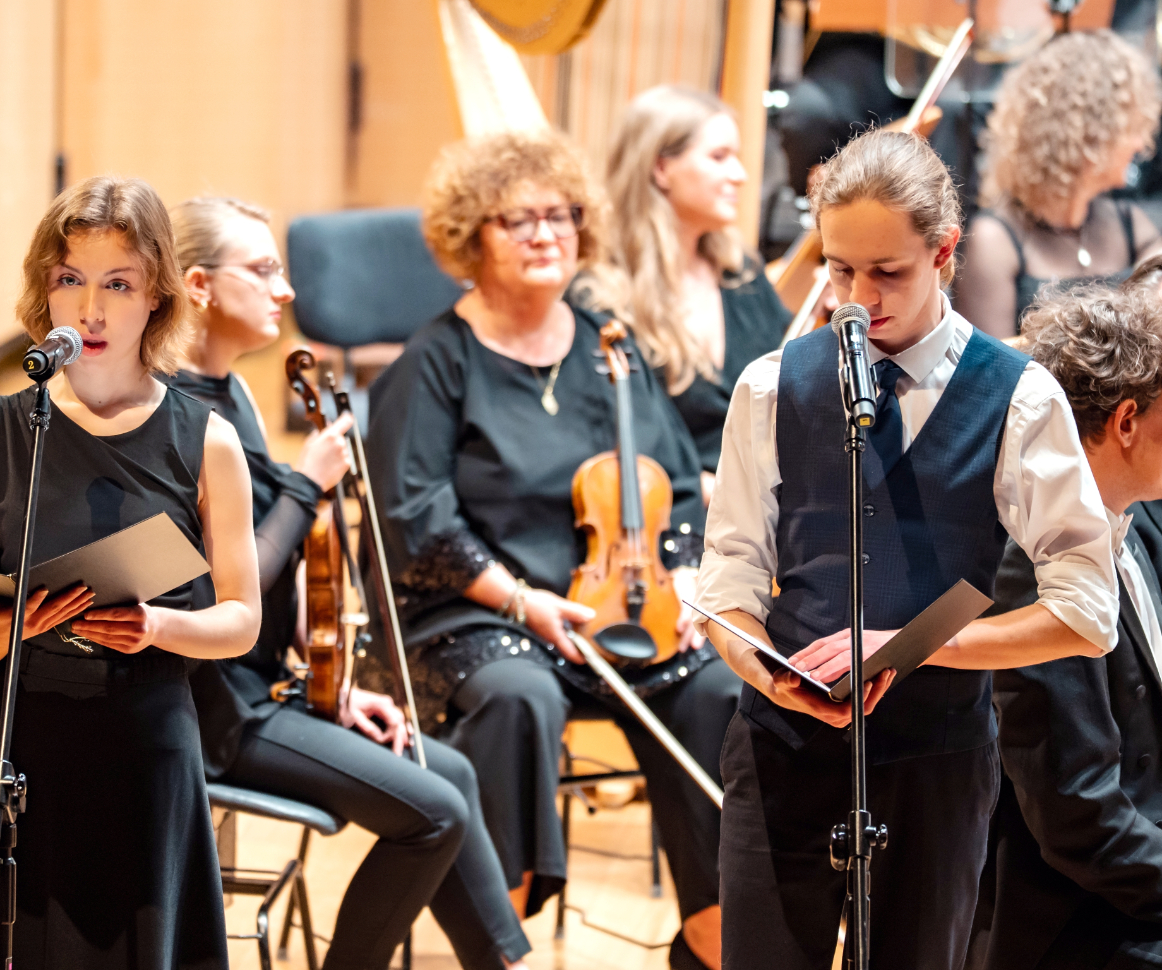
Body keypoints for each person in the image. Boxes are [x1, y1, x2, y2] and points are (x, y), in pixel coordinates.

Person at [694, 128, 1118, 970]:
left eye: (886, 271)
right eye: (839, 269)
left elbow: (1086, 611)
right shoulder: (770, 385)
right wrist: (764, 673)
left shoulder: (1019, 397)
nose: (857, 298)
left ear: (944, 252)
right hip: (780, 748)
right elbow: (728, 581)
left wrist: (910, 646)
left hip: (936, 757)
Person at [366, 128, 737, 970]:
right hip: (477, 610)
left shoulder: (610, 347)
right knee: (518, 698)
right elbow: (414, 515)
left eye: (559, 215)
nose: (544, 234)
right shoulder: (435, 361)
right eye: (516, 220)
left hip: (618, 605)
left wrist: (684, 578)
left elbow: (676, 483)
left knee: (716, 687)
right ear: (472, 236)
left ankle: (713, 937)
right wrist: (522, 601)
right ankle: (500, 939)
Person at [167, 197, 532, 970]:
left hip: (264, 685)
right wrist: (305, 486)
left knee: (450, 771)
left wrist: (332, 685)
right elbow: (226, 590)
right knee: (433, 813)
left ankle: (503, 965)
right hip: (214, 710)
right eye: (262, 270)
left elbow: (290, 574)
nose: (286, 289)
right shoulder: (174, 421)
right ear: (197, 286)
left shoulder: (234, 394)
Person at [0, 176, 261, 970]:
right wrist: (2, 629)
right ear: (44, 291)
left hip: (144, 738)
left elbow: (241, 620)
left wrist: (159, 626)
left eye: (118, 284)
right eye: (69, 279)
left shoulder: (206, 442)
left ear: (158, 298)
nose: (90, 310)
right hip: (22, 736)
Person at [976, 285, 1162, 970]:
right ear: (1125, 421)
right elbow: (1078, 818)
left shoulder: (1133, 526)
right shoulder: (1033, 566)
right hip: (1087, 926)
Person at [600, 85, 790, 501]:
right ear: (660, 169)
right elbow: (622, 446)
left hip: (766, 502)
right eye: (719, 157)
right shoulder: (604, 297)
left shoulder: (741, 273)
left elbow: (790, 383)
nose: (740, 175)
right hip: (676, 515)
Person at [952, 29, 1162, 338]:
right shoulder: (994, 241)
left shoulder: (1131, 225)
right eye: (1131, 128)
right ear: (1091, 135)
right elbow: (991, 364)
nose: (1141, 144)